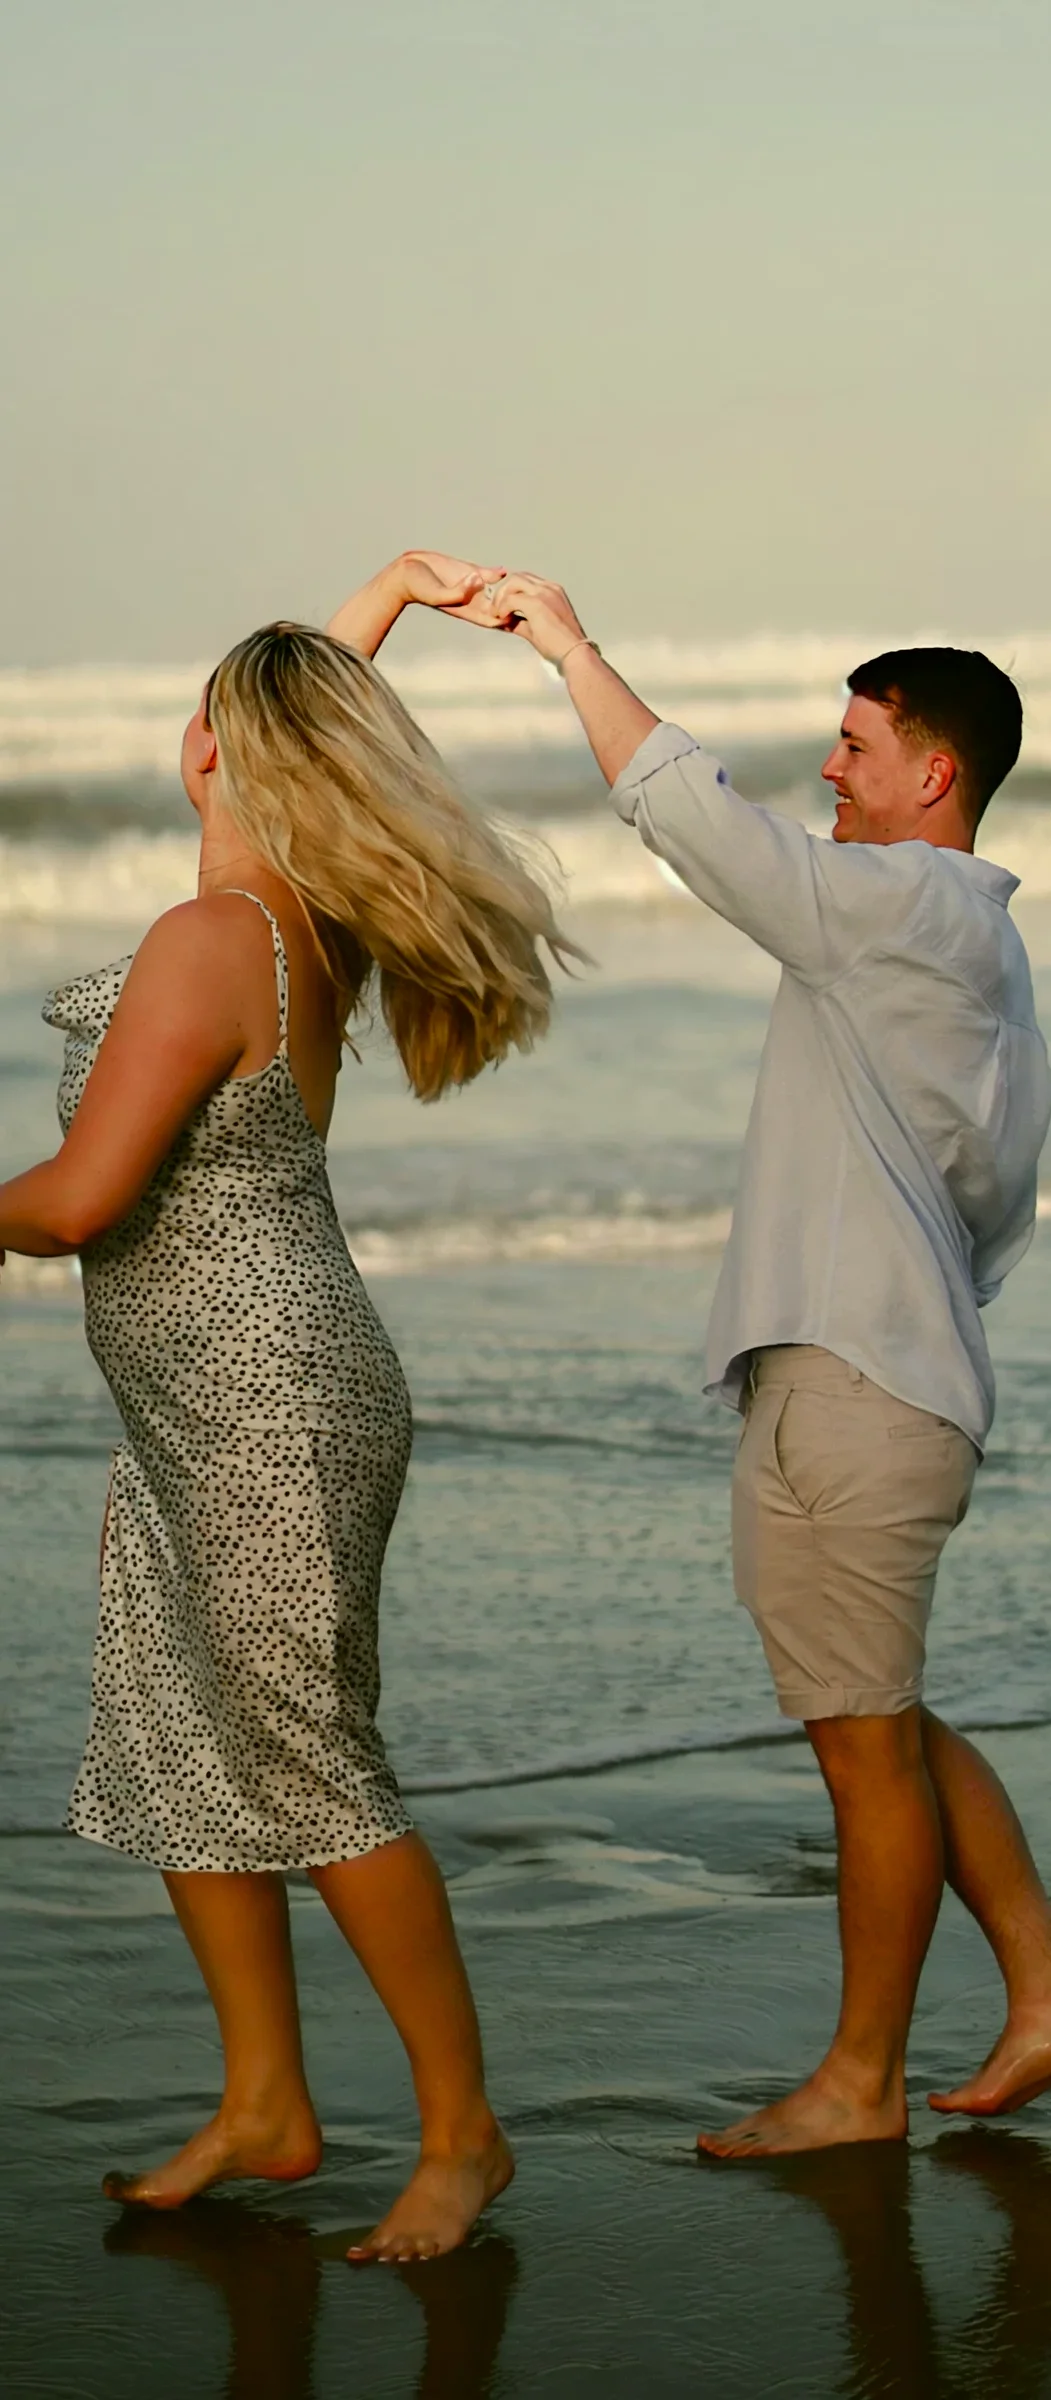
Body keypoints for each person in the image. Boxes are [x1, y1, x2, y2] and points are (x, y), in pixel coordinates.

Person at [0, 551, 577, 2257]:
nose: (188, 721)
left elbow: (88, 1198)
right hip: (217, 1400)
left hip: (263, 1404)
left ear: (218, 755)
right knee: (179, 1742)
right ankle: (265, 2102)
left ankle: (465, 2137)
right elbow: (308, 704)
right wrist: (386, 591)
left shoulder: (207, 936)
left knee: (310, 1765)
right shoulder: (288, 924)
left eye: (208, 706)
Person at [471, 569, 1051, 2158]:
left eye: (854, 746)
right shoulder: (980, 960)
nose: (832, 772)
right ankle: (1042, 1990)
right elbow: (990, 1219)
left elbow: (702, 823)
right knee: (890, 1719)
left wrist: (569, 649)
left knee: (866, 1755)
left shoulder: (905, 910)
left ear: (933, 772)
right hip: (892, 1384)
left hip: (856, 1391)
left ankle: (857, 2088)